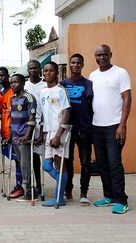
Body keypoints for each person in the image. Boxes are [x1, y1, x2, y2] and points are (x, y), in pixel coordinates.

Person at [89, 44, 131, 214]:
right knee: (102, 164)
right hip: (96, 126)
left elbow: (127, 99)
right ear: (95, 56)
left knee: (114, 163)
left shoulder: (121, 73)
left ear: (110, 55)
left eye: (104, 54)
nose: (101, 57)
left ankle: (121, 199)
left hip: (114, 126)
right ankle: (109, 196)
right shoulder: (93, 75)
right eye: (98, 55)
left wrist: (122, 124)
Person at [59, 53, 93, 205]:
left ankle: (84, 193)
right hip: (67, 130)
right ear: (69, 64)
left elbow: (91, 105)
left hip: (84, 129)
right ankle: (68, 191)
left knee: (85, 161)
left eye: (78, 63)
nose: (75, 65)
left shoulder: (88, 83)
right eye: (73, 62)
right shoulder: (62, 84)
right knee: (68, 161)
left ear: (82, 65)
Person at [39, 61, 71, 207]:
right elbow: (43, 115)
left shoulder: (61, 90)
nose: (47, 73)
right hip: (47, 131)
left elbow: (66, 112)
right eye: (45, 71)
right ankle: (62, 184)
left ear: (57, 73)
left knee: (60, 164)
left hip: (59, 132)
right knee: (46, 165)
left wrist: (58, 135)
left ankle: (59, 198)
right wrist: (41, 134)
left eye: (50, 71)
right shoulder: (43, 92)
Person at [5, 74, 37, 202]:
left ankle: (29, 192)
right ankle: (28, 189)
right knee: (20, 163)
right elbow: (13, 120)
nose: (13, 85)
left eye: (16, 82)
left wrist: (27, 135)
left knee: (25, 165)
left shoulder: (28, 97)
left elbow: (32, 118)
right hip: (15, 138)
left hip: (24, 138)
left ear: (23, 83)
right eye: (12, 82)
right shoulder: (12, 98)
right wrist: (9, 136)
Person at [0, 67, 23, 199]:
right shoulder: (0, 94)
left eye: (3, 76)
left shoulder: (15, 91)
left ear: (7, 76)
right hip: (5, 132)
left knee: (18, 160)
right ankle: (19, 185)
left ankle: (20, 186)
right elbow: (1, 113)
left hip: (16, 132)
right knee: (12, 159)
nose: (1, 79)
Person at [25, 60, 46, 195]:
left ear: (40, 69)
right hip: (29, 125)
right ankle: (37, 185)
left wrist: (42, 130)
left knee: (47, 157)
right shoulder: (25, 85)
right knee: (33, 158)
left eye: (35, 68)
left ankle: (61, 187)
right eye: (30, 68)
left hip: (44, 124)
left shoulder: (45, 84)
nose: (33, 70)